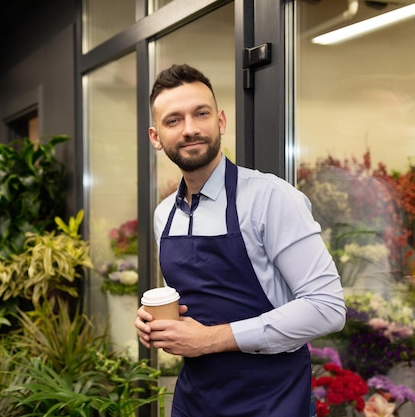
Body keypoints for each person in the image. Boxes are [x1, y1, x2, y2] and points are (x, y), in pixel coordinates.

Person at [134, 63, 346, 417]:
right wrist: (155, 322)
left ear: (220, 121)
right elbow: (198, 304)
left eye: (200, 114)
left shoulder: (270, 198)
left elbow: (327, 308)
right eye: (174, 120)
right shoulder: (164, 215)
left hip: (273, 400)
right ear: (156, 137)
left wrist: (207, 339)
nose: (190, 129)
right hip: (195, 400)